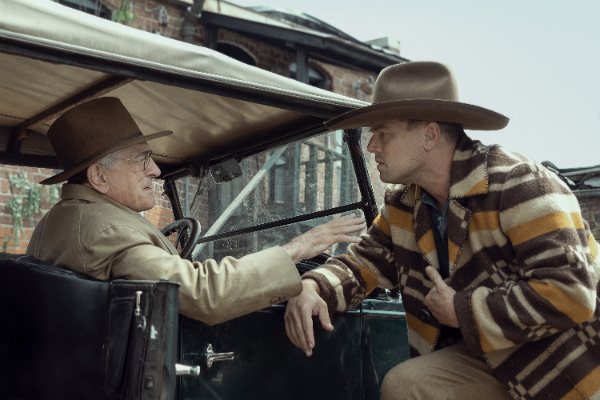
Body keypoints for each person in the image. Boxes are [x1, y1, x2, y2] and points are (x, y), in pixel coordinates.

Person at [284, 61, 600, 400]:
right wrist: (312, 286)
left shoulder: (519, 183)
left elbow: (571, 293)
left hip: (565, 369)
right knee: (406, 385)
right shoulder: (404, 205)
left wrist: (464, 309)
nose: (372, 145)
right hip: (488, 360)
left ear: (430, 135)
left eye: (383, 133)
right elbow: (361, 266)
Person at [26, 97, 366, 326]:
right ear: (99, 176)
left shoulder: (59, 222)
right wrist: (297, 248)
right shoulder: (109, 232)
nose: (156, 171)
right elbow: (206, 295)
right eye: (142, 158)